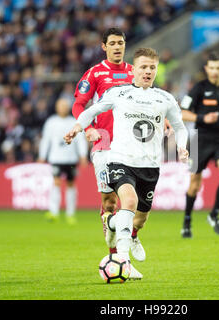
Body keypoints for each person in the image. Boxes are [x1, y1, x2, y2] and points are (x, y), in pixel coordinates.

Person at [64, 47, 189, 279]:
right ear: (134, 70)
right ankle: (123, 261)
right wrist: (77, 128)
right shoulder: (118, 94)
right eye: (143, 67)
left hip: (150, 166)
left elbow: (180, 127)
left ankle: (121, 229)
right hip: (120, 159)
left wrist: (182, 146)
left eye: (152, 67)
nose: (148, 71)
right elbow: (91, 111)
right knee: (128, 201)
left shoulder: (165, 99)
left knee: (139, 219)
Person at [71, 27, 147, 260]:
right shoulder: (94, 74)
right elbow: (78, 106)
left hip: (132, 145)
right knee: (110, 201)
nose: (117, 47)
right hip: (104, 142)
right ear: (104, 46)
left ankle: (132, 234)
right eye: (112, 43)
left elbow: (147, 102)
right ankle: (116, 256)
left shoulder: (135, 72)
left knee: (136, 201)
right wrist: (89, 128)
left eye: (120, 43)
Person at [180, 52, 219, 238]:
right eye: (211, 68)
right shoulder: (199, 88)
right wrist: (203, 117)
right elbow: (182, 113)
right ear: (206, 69)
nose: (214, 71)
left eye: (217, 68)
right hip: (200, 138)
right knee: (195, 185)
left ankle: (214, 214)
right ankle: (187, 220)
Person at [38, 98, 88, 224]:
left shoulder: (74, 122)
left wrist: (83, 155)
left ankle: (70, 214)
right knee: (56, 183)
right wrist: (42, 155)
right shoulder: (51, 122)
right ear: (56, 108)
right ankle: (54, 212)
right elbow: (46, 140)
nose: (63, 108)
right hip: (56, 158)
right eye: (61, 106)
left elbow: (80, 139)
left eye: (65, 106)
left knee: (71, 184)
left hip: (71, 158)